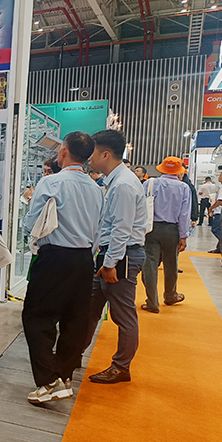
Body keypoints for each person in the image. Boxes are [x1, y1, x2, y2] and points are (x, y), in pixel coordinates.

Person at [22, 131, 103, 404]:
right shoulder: (96, 188)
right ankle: (64, 376)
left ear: (64, 152)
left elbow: (31, 225)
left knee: (37, 318)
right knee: (75, 320)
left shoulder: (51, 182)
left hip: (55, 257)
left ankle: (48, 381)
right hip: (84, 260)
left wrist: (29, 201)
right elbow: (99, 230)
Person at [83, 130, 147, 384]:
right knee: (90, 307)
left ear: (105, 154)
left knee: (123, 314)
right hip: (112, 254)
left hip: (122, 256)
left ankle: (121, 367)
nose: (89, 158)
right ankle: (73, 353)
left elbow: (122, 229)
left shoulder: (123, 185)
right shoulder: (114, 181)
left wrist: (111, 263)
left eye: (92, 153)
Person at [140, 157, 191, 313]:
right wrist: (183, 236)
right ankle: (170, 296)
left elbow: (141, 206)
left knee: (150, 264)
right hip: (172, 230)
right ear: (179, 172)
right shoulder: (184, 188)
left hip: (151, 228)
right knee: (171, 264)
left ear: (162, 168)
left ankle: (152, 301)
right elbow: (184, 214)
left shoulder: (150, 183)